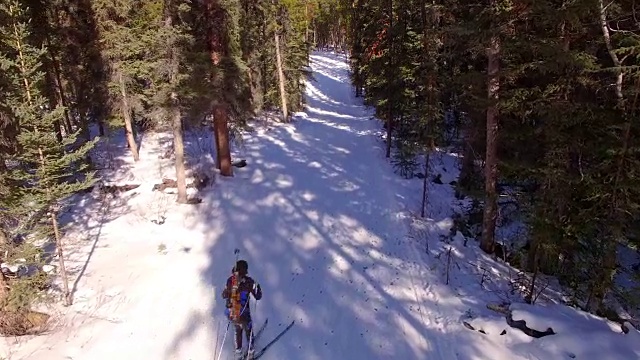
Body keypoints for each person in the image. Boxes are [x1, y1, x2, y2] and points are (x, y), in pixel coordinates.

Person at [222, 260, 262, 358]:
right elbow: (258, 296)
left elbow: (223, 295)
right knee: (248, 329)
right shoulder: (249, 281)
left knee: (237, 328)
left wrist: (229, 294)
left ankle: (238, 350)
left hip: (232, 312)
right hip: (244, 312)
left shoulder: (230, 280)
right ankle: (250, 351)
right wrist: (257, 288)